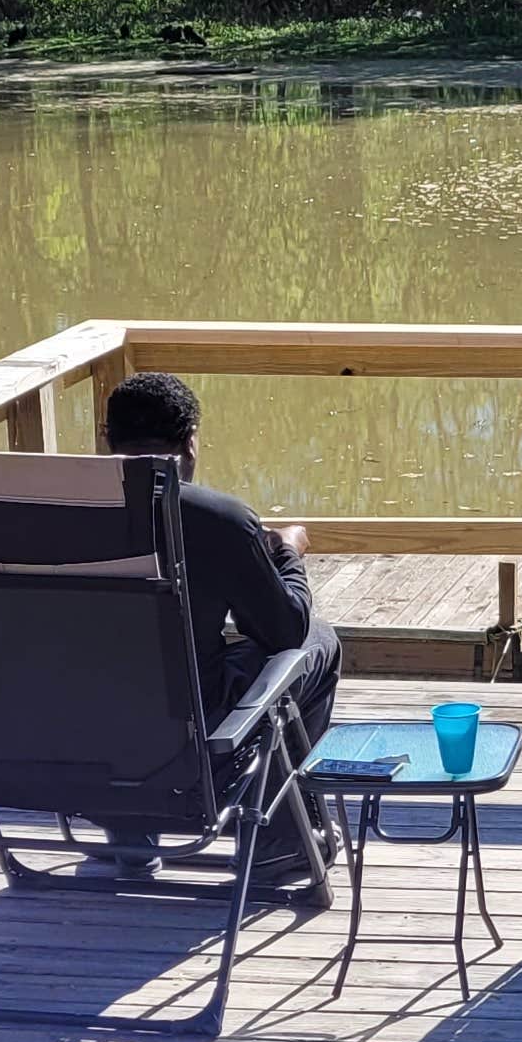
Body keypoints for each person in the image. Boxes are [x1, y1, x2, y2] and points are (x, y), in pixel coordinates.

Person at [99, 371, 341, 883]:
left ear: (106, 441)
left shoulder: (39, 513)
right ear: (191, 443)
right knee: (317, 642)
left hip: (62, 743)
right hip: (189, 740)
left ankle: (128, 830)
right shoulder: (216, 519)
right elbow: (283, 631)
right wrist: (286, 554)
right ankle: (279, 838)